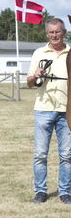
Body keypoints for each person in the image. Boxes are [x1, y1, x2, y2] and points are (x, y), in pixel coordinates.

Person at [26, 18, 71, 204]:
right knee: (40, 154)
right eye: (51, 32)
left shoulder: (70, 52)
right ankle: (41, 191)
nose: (54, 35)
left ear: (64, 32)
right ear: (47, 34)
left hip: (67, 111)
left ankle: (65, 191)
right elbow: (29, 83)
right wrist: (36, 76)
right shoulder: (39, 53)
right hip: (44, 109)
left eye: (58, 31)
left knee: (67, 155)